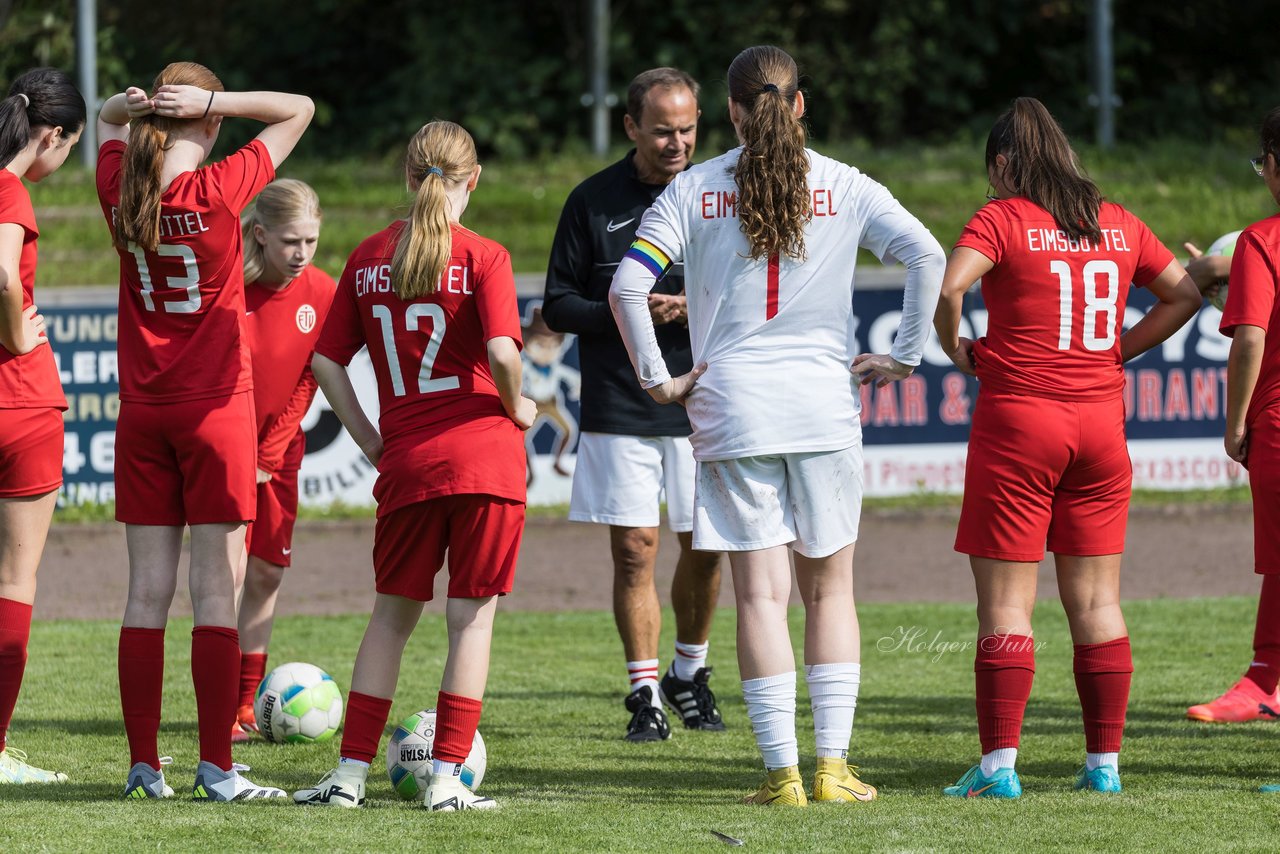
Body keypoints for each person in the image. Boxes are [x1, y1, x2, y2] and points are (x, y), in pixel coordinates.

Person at [611, 45, 944, 806]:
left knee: (761, 598)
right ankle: (832, 769)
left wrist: (660, 381)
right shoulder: (844, 183)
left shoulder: (693, 189)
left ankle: (783, 776)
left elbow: (628, 290)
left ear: (730, 111)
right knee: (830, 594)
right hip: (822, 407)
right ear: (798, 106)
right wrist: (905, 357)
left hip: (733, 409)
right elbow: (926, 253)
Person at [933, 97, 1202, 798]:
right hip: (1101, 427)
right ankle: (1103, 767)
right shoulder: (1114, 219)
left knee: (1006, 607)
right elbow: (1182, 296)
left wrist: (954, 346)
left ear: (1001, 164)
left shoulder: (1002, 216)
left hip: (1021, 424)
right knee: (1097, 604)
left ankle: (998, 770)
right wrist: (1118, 351)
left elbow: (951, 283)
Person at [293, 120, 534, 811]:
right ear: (473, 180)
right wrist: (518, 409)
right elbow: (504, 354)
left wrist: (370, 439)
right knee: (470, 622)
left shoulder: (370, 256)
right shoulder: (484, 255)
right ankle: (446, 782)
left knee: (390, 620)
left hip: (407, 465)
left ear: (407, 176)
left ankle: (347, 778)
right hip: (484, 461)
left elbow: (326, 360)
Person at [95, 62, 313, 801]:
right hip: (216, 407)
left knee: (144, 592)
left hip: (144, 411)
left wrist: (127, 109)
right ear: (209, 121)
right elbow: (298, 108)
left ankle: (142, 765)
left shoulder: (120, 189)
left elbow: (103, 123)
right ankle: (218, 767)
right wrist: (219, 101)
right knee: (215, 591)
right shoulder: (218, 190)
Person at [543, 67, 725, 742]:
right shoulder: (592, 201)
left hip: (704, 403)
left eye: (687, 129)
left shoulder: (718, 196)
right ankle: (645, 691)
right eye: (662, 131)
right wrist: (630, 311)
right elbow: (557, 305)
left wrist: (694, 307)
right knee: (635, 551)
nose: (677, 143)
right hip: (621, 403)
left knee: (707, 547)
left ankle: (689, 672)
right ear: (631, 128)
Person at [0, 67, 85, 785]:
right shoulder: (11, 187)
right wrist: (20, 339)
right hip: (18, 401)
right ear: (51, 135)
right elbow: (4, 276)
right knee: (14, 580)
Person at [231, 179, 336, 742]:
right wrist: (239, 452)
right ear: (260, 235)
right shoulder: (226, 286)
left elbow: (310, 378)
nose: (301, 254)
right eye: (291, 241)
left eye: (312, 241)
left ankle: (247, 704)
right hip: (222, 449)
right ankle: (224, 703)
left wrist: (269, 453)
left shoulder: (322, 291)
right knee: (225, 574)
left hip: (280, 453)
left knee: (268, 571)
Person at [1206, 109, 1280, 757]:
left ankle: (1264, 682)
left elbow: (1250, 338)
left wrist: (1235, 425)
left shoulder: (1261, 242)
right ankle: (1264, 681)